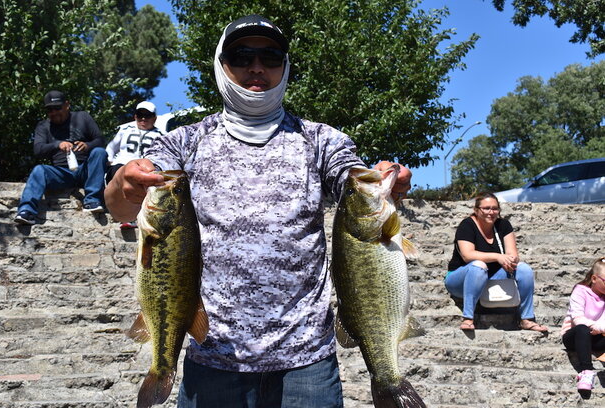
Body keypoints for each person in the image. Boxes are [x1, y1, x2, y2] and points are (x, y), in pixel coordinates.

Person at [104, 14, 412, 408]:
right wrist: (122, 184)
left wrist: (389, 181)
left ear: (285, 68)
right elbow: (121, 203)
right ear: (221, 64)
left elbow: (354, 182)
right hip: (213, 358)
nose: (256, 67)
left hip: (308, 365)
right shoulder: (183, 142)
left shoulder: (321, 140)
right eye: (241, 55)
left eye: (271, 57)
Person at [444, 192, 548, 332]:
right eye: (486, 208)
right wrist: (498, 257)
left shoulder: (503, 225)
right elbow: (468, 255)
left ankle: (527, 319)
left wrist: (511, 260)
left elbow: (513, 254)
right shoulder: (467, 225)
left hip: (489, 278)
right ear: (476, 210)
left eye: (495, 208)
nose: (491, 212)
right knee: (478, 265)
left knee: (524, 269)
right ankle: (468, 318)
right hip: (460, 280)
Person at [14, 90, 108, 225]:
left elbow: (100, 140)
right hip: (62, 173)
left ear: (67, 105)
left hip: (86, 170)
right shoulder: (43, 126)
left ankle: (92, 200)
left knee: (99, 152)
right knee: (39, 170)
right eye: (50, 110)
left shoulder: (83, 117)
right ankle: (26, 211)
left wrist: (87, 145)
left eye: (57, 108)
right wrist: (57, 144)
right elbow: (38, 150)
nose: (54, 112)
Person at [105, 101, 165, 229]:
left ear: (154, 118)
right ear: (135, 116)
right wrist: (109, 160)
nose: (143, 119)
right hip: (121, 165)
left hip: (145, 168)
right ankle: (123, 214)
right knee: (121, 175)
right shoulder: (125, 130)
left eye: (147, 116)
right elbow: (111, 147)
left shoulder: (160, 135)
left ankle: (138, 216)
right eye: (140, 115)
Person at [561, 257, 605, 392]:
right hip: (575, 335)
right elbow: (578, 319)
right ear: (594, 279)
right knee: (582, 329)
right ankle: (586, 371)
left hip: (597, 336)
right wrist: (597, 327)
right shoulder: (580, 291)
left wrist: (600, 329)